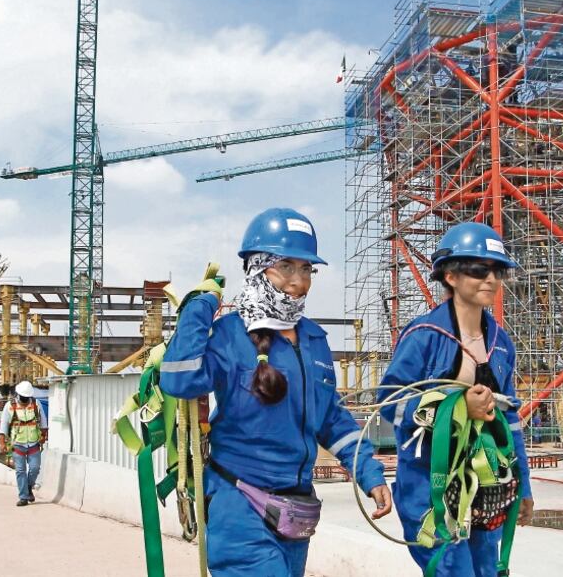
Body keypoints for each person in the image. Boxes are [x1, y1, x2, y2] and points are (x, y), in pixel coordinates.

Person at [160, 207, 392, 576]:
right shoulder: (230, 334)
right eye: (286, 266)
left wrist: (368, 472)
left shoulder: (314, 340)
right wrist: (197, 308)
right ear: (257, 268)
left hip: (294, 512)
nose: (299, 281)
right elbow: (179, 380)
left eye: (306, 269)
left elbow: (331, 420)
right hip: (239, 507)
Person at [378, 222, 534, 576]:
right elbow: (389, 401)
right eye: (479, 270)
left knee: (486, 570)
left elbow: (511, 421)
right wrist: (458, 407)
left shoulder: (501, 345)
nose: (490, 279)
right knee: (452, 570)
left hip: (485, 486)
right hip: (428, 485)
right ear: (450, 276)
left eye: (498, 271)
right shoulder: (424, 336)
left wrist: (522, 486)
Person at [0, 380, 48, 507]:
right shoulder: (10, 406)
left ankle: (29, 487)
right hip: (17, 444)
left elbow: (43, 422)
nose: (25, 400)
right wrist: (2, 443)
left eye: (27, 397)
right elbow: (3, 425)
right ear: (18, 395)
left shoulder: (36, 404)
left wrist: (44, 435)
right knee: (20, 471)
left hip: (34, 443)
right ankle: (23, 497)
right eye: (23, 397)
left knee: (35, 468)